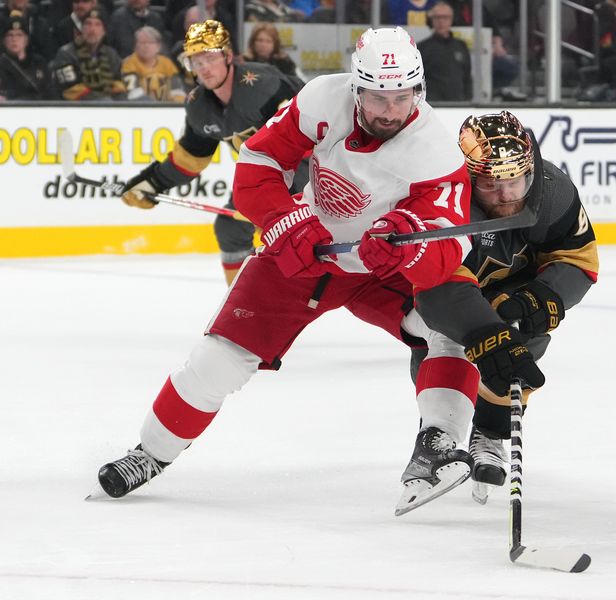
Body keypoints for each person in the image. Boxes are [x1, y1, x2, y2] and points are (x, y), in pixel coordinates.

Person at [95, 27, 483, 516]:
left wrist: (408, 244)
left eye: (401, 97)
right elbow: (259, 160)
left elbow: (450, 238)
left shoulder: (436, 150)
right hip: (306, 255)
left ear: (418, 91)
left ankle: (439, 444)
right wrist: (284, 218)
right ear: (356, 88)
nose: (390, 110)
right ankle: (149, 453)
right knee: (218, 359)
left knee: (453, 328)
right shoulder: (324, 96)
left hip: (382, 267)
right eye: (378, 97)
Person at [412, 111, 598, 499]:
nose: (507, 194)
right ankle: (436, 437)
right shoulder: (442, 199)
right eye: (492, 185)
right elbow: (436, 285)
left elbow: (579, 260)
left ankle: (492, 432)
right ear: (467, 178)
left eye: (515, 181)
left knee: (525, 335)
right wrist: (486, 325)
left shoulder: (554, 191)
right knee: (443, 340)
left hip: (516, 283)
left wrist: (545, 296)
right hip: (447, 287)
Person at [120, 19, 303, 284]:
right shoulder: (199, 106)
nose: (204, 68)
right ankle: (245, 301)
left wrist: (279, 200)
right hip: (265, 178)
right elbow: (190, 159)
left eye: (209, 58)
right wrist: (151, 183)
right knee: (229, 228)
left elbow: (308, 138)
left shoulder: (264, 85)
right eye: (196, 62)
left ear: (228, 56)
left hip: (312, 170)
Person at [50, 8, 127, 100]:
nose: (92, 29)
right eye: (88, 24)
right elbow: (71, 89)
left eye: (97, 25)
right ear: (81, 29)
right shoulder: (66, 54)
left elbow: (119, 84)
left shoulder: (111, 54)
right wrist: (104, 101)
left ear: (104, 32)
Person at [417, 1, 471, 101]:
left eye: (445, 17)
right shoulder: (421, 48)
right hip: (433, 106)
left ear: (452, 19)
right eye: (437, 17)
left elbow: (467, 78)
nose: (441, 21)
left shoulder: (461, 46)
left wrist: (469, 101)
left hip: (459, 105)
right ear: (431, 20)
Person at [122, 26, 185, 101]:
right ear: (135, 46)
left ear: (158, 46)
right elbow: (134, 93)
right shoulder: (129, 63)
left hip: (167, 107)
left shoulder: (167, 63)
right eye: (142, 42)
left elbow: (177, 90)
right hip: (141, 107)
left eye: (150, 42)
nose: (146, 46)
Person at [0, 11, 50, 100]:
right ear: (4, 40)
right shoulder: (2, 64)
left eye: (19, 35)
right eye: (10, 35)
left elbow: (50, 90)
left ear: (26, 39)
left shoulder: (39, 62)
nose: (14, 39)